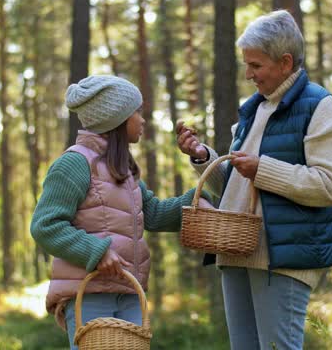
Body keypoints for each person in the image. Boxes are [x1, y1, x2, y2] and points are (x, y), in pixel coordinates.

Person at [176, 10, 332, 350]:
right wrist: (203, 158)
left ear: (285, 62)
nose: (248, 75)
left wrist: (263, 169)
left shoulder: (320, 107)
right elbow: (238, 187)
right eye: (247, 65)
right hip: (234, 251)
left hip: (282, 258)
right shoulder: (254, 110)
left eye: (256, 66)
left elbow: (330, 185)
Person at [31, 75, 212, 350]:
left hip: (130, 292)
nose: (143, 120)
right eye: (136, 112)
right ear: (115, 119)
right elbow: (45, 226)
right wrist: (97, 251)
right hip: (90, 295)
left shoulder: (122, 169)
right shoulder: (74, 164)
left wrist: (198, 198)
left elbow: (153, 214)